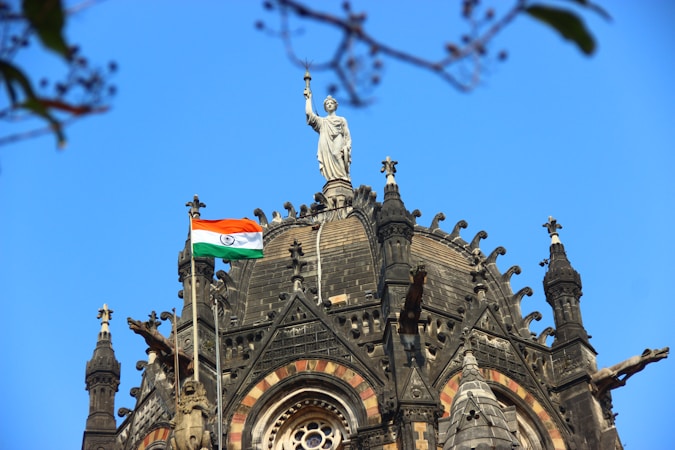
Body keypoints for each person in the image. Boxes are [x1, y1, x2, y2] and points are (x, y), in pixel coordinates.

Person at [305, 91, 352, 181]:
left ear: (335, 106)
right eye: (327, 103)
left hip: (338, 138)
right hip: (325, 142)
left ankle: (343, 176)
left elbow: (347, 136)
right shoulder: (322, 121)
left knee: (336, 153)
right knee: (328, 159)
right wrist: (308, 99)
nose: (329, 105)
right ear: (325, 107)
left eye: (331, 103)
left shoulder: (341, 119)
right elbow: (309, 115)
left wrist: (347, 146)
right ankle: (332, 178)